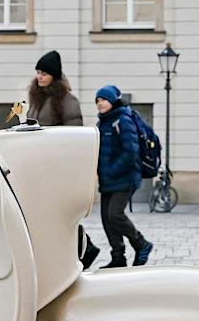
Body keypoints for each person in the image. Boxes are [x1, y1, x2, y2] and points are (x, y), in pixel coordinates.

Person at [30, 50, 102, 267]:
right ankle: (72, 251)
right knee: (49, 213)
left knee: (60, 214)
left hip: (58, 166)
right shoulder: (37, 98)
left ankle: (84, 249)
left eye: (44, 73)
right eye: (38, 72)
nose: (39, 77)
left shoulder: (67, 101)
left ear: (54, 76)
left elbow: (73, 134)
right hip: (40, 164)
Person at [95, 85, 154, 267]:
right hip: (108, 179)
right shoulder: (102, 122)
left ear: (113, 100)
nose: (100, 103)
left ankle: (141, 244)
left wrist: (112, 170)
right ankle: (118, 257)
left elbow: (130, 152)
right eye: (97, 100)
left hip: (125, 177)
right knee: (106, 218)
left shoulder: (123, 120)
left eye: (104, 99)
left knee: (115, 214)